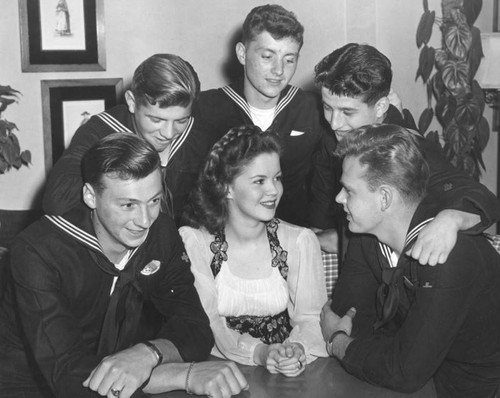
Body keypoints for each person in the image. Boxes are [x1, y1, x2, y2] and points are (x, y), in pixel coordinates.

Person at [0, 134, 249, 398]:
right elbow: (66, 373)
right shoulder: (37, 250)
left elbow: (194, 325)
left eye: (154, 201)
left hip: (119, 383)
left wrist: (148, 353)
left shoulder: (160, 232)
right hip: (32, 388)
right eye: (128, 205)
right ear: (90, 196)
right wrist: (179, 375)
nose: (144, 221)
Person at [320, 124, 500, 397]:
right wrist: (355, 342)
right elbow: (349, 316)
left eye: (349, 190)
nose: (338, 198)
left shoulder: (448, 255)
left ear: (384, 198)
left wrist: (338, 342)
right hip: (417, 379)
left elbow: (403, 372)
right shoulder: (366, 239)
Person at [313, 43, 500, 265]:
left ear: (381, 107)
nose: (335, 123)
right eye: (327, 107)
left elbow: (482, 198)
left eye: (347, 111)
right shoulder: (340, 135)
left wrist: (451, 219)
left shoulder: (406, 147)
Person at [179, 125, 328, 377]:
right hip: (217, 371)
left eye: (277, 178)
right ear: (226, 187)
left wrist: (296, 350)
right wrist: (259, 353)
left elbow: (311, 318)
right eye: (259, 181)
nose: (273, 190)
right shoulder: (195, 241)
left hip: (286, 372)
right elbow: (208, 322)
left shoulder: (299, 241)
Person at [195, 4, 334, 231]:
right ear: (242, 53)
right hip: (224, 236)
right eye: (267, 56)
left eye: (289, 59)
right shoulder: (207, 109)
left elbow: (327, 174)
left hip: (296, 233)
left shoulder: (313, 109)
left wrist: (318, 226)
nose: (279, 70)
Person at [43, 53, 209, 225]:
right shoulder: (99, 132)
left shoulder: (200, 133)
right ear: (131, 102)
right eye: (156, 120)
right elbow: (56, 201)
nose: (168, 133)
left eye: (181, 120)